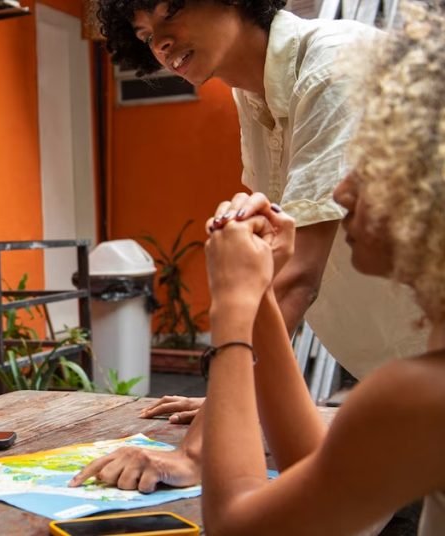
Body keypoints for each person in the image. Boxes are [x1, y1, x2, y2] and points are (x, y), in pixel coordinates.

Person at [75, 0, 426, 492]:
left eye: (170, 11)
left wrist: (197, 451)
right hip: (408, 386)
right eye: (143, 33)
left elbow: (296, 274)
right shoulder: (253, 95)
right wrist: (233, 399)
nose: (159, 41)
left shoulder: (332, 68)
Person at [155, 3, 443, 532]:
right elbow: (318, 473)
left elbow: (242, 525)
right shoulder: (418, 384)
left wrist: (236, 308)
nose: (338, 190)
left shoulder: (422, 394)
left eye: (369, 163)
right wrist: (260, 300)